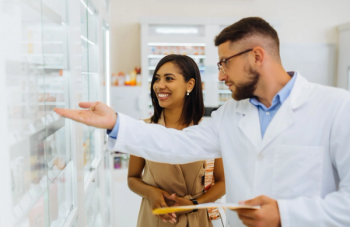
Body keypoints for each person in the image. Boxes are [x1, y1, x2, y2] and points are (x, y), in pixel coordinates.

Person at [55, 17, 350, 227]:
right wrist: (116, 122)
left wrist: (287, 215)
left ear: (257, 56)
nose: (221, 76)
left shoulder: (336, 108)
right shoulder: (231, 116)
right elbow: (175, 143)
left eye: (225, 63)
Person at [127, 54, 225, 226]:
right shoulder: (142, 129)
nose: (159, 85)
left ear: (190, 84)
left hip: (198, 219)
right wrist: (152, 193)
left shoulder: (208, 131)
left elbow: (222, 182)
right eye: (157, 79)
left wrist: (194, 204)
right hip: (156, 218)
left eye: (169, 78)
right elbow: (132, 178)